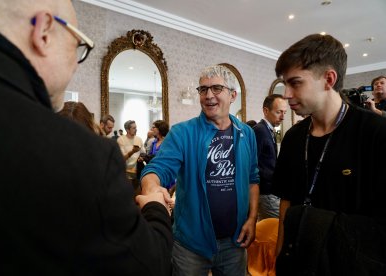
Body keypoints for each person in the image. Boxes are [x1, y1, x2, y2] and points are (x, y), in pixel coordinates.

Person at [0, 1, 172, 275]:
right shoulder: (79, 156)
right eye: (78, 46)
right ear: (44, 32)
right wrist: (155, 208)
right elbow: (148, 265)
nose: (76, 67)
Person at [272, 34, 386, 274]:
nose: (287, 94)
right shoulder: (293, 138)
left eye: (296, 83)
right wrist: (280, 259)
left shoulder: (375, 133)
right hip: (299, 262)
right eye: (285, 84)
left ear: (329, 79)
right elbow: (286, 202)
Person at [141, 65, 259, 276]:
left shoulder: (247, 133)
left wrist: (252, 218)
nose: (208, 95)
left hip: (234, 242)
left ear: (232, 95)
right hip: (190, 246)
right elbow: (159, 168)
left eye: (216, 88)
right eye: (203, 89)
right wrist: (152, 188)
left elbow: (252, 179)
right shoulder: (183, 132)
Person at [253, 94, 287, 220]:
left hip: (271, 189)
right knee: (283, 221)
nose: (283, 117)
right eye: (279, 112)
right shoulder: (259, 130)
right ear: (266, 111)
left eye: (284, 112)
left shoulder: (269, 130)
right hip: (265, 191)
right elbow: (253, 163)